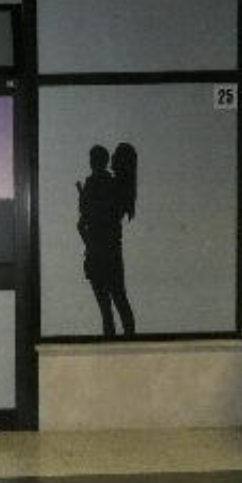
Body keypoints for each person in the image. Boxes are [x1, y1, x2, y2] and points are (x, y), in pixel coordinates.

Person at [77, 143, 136, 338]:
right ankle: (126, 340)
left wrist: (89, 240)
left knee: (109, 305)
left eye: (93, 159)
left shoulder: (100, 185)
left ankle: (121, 340)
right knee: (117, 300)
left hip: (99, 251)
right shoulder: (111, 185)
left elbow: (83, 222)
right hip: (106, 250)